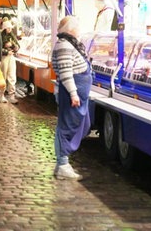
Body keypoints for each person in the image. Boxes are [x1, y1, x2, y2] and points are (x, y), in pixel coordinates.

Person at [51, 15, 93, 180]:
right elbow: (66, 71)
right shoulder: (64, 46)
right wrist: (74, 94)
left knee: (80, 125)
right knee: (66, 127)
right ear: (71, 30)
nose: (79, 31)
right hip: (71, 94)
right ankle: (62, 164)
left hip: (77, 94)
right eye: (77, 27)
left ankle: (62, 163)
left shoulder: (69, 44)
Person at [0, 20, 20, 104]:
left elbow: (18, 45)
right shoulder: (0, 36)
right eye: (8, 27)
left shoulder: (12, 35)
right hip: (3, 57)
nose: (10, 29)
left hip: (11, 57)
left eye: (10, 27)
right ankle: (1, 95)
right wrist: (6, 51)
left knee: (12, 76)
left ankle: (11, 95)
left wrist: (14, 47)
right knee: (3, 76)